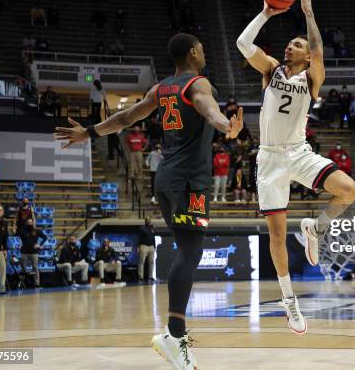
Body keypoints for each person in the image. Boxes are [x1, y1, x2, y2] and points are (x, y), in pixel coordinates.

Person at [54, 32, 243, 369]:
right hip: (188, 181)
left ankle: (175, 332)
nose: (204, 52)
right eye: (201, 47)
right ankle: (174, 334)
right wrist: (225, 124)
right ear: (191, 53)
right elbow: (208, 109)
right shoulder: (199, 84)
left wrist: (89, 132)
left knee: (188, 248)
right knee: (190, 250)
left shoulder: (161, 88)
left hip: (165, 180)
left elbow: (126, 118)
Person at [236, 0, 355, 335]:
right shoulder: (270, 69)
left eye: (298, 44)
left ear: (307, 56)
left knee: (348, 190)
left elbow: (319, 49)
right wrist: (264, 13)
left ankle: (315, 227)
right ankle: (290, 302)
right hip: (271, 158)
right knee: (275, 235)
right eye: (290, 43)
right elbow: (244, 44)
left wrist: (308, 11)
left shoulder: (312, 79)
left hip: (300, 152)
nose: (291, 47)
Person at [18, 218, 45, 288]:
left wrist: (40, 244)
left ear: (33, 223)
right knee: (23, 268)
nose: (30, 223)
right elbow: (19, 238)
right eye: (28, 222)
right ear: (26, 223)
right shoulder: (23, 230)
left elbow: (45, 237)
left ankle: (37, 283)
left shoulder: (37, 231)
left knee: (35, 268)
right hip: (24, 252)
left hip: (34, 252)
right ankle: (21, 283)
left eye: (31, 222)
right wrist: (20, 243)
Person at [138, 217, 156, 282]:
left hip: (151, 246)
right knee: (141, 262)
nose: (149, 221)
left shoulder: (151, 228)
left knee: (151, 262)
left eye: (150, 220)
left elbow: (153, 236)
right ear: (145, 221)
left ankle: (150, 276)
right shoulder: (142, 228)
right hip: (144, 246)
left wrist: (154, 246)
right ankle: (141, 277)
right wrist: (138, 246)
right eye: (148, 220)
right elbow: (143, 235)